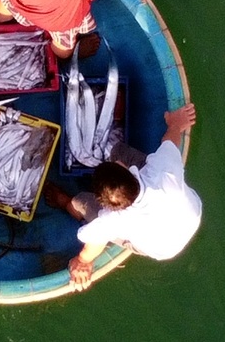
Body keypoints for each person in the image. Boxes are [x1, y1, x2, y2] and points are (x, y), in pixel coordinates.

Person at [51, 104, 202, 288]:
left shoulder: (109, 221)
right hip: (188, 217)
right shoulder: (164, 170)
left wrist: (81, 262)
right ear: (127, 171)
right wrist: (175, 124)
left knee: (79, 201)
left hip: (162, 248)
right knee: (120, 150)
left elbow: (92, 248)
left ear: (103, 203)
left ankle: (63, 201)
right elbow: (171, 139)